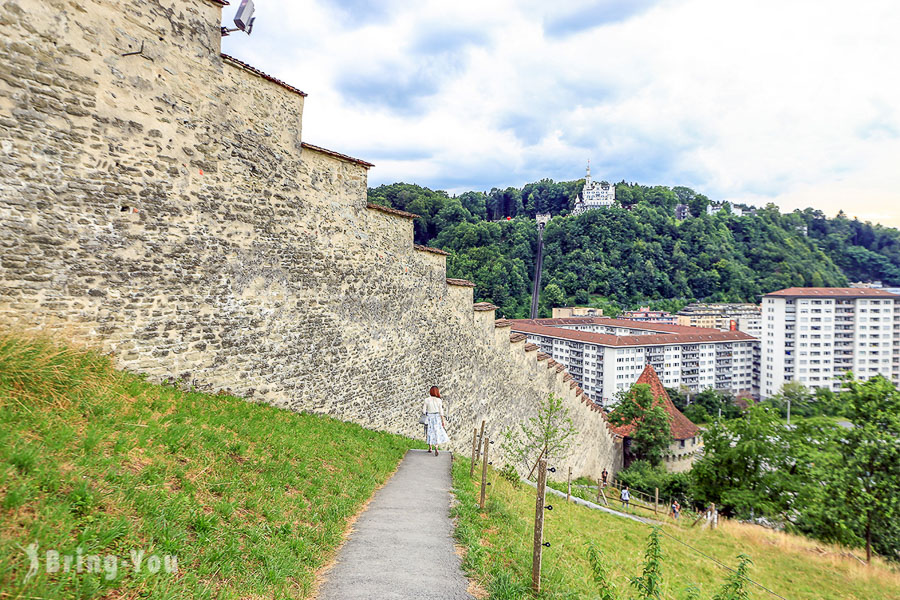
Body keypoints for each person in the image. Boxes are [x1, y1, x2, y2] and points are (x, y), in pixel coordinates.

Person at [422, 386, 450, 456]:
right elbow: (441, 412)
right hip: (437, 417)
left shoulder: (427, 400)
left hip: (429, 417)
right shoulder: (439, 400)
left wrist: (427, 412)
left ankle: (430, 447)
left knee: (429, 431)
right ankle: (436, 446)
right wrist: (443, 421)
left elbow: (423, 411)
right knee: (436, 431)